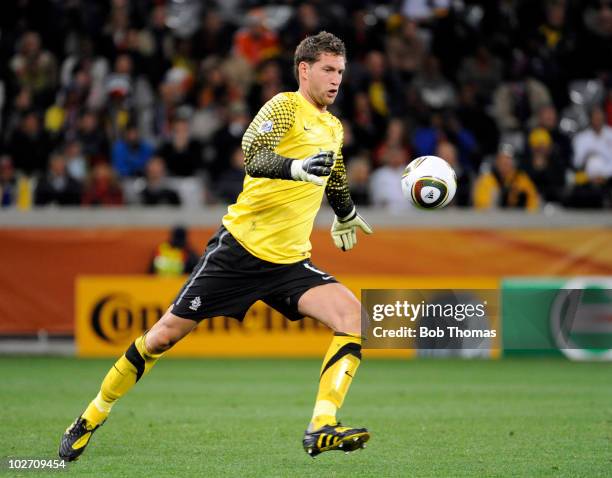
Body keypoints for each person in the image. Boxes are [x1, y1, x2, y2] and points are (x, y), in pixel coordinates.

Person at [60, 31, 372, 461]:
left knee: (353, 315)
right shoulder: (285, 107)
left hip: (290, 263)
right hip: (239, 252)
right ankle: (92, 415)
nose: (337, 79)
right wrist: (296, 167)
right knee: (161, 337)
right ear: (304, 69)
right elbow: (251, 152)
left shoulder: (333, 126)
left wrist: (345, 211)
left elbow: (334, 172)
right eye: (328, 70)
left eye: (341, 70)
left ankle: (321, 424)